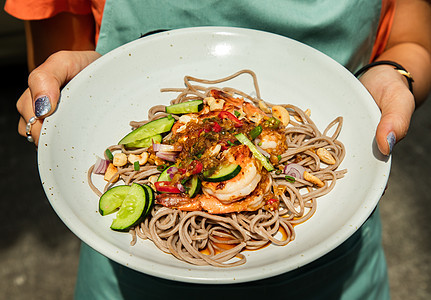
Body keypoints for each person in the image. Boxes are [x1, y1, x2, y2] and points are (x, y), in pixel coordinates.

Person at [6, 0, 431, 299]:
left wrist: (397, 73)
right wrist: (73, 100)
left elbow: (414, 38)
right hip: (130, 279)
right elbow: (55, 62)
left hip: (335, 270)